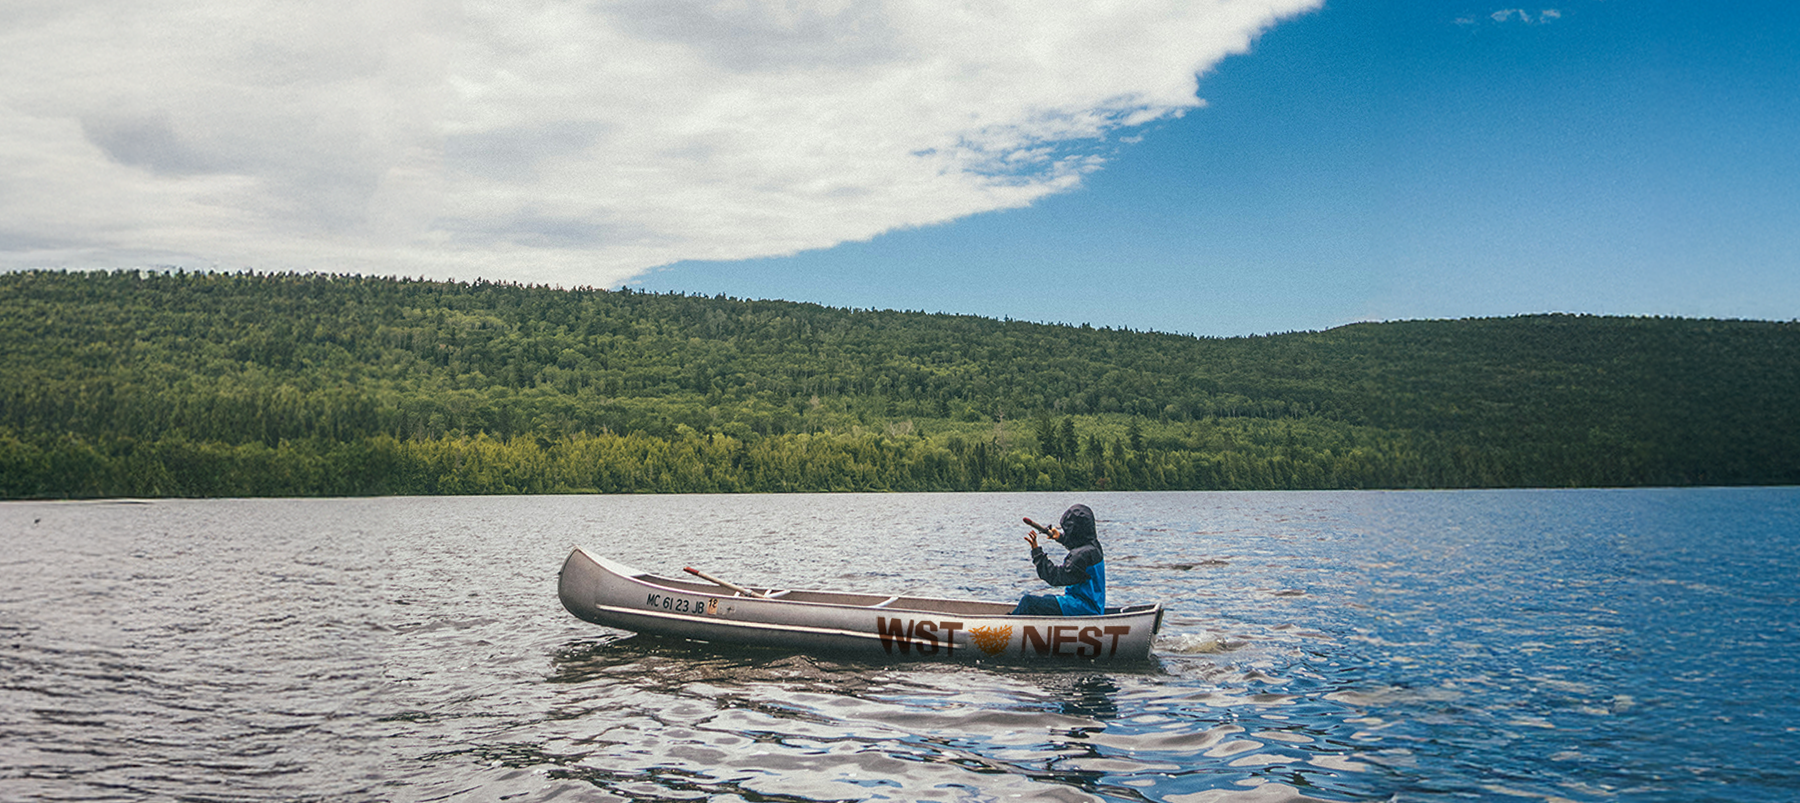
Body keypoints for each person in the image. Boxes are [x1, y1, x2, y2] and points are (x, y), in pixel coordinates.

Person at [1011, 503, 1105, 616]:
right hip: (1093, 604)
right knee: (1047, 598)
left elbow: (1054, 577)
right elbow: (1079, 543)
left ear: (1073, 530)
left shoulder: (1081, 556)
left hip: (1082, 607)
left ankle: (1006, 624)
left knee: (1028, 602)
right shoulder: (1094, 546)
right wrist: (1061, 537)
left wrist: (1036, 552)